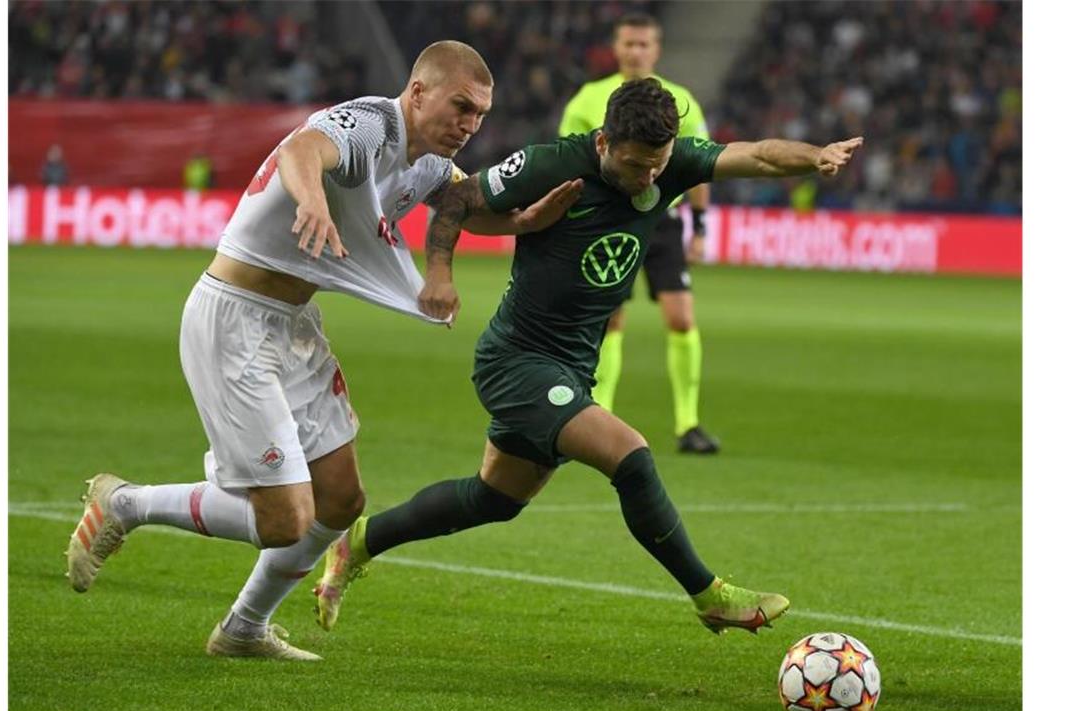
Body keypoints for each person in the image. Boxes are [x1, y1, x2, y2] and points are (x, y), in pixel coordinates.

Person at [64, 41, 582, 660]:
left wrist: (522, 223)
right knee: (283, 518)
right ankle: (123, 503)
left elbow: (464, 205)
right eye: (461, 107)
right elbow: (301, 149)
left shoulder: (426, 163)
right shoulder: (371, 123)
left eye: (480, 115)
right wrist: (311, 198)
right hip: (233, 320)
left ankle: (243, 630)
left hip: (293, 325)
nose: (470, 125)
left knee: (340, 500)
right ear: (418, 93)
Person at [314, 78, 863, 638]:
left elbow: (757, 155)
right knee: (631, 456)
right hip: (516, 361)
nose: (647, 178)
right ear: (603, 143)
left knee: (493, 499)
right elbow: (458, 199)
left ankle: (358, 541)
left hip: (572, 365)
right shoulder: (549, 164)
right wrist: (439, 275)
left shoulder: (667, 164)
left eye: (657, 165)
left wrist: (814, 157)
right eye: (633, 166)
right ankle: (710, 594)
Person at [559, 13, 718, 455]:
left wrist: (700, 227)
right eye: (629, 43)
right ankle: (599, 416)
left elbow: (701, 164)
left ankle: (688, 423)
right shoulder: (588, 99)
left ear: (657, 48)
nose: (636, 51)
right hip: (609, 221)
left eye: (644, 44)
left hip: (662, 220)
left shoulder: (680, 100)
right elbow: (568, 162)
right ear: (616, 46)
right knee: (611, 319)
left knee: (681, 318)